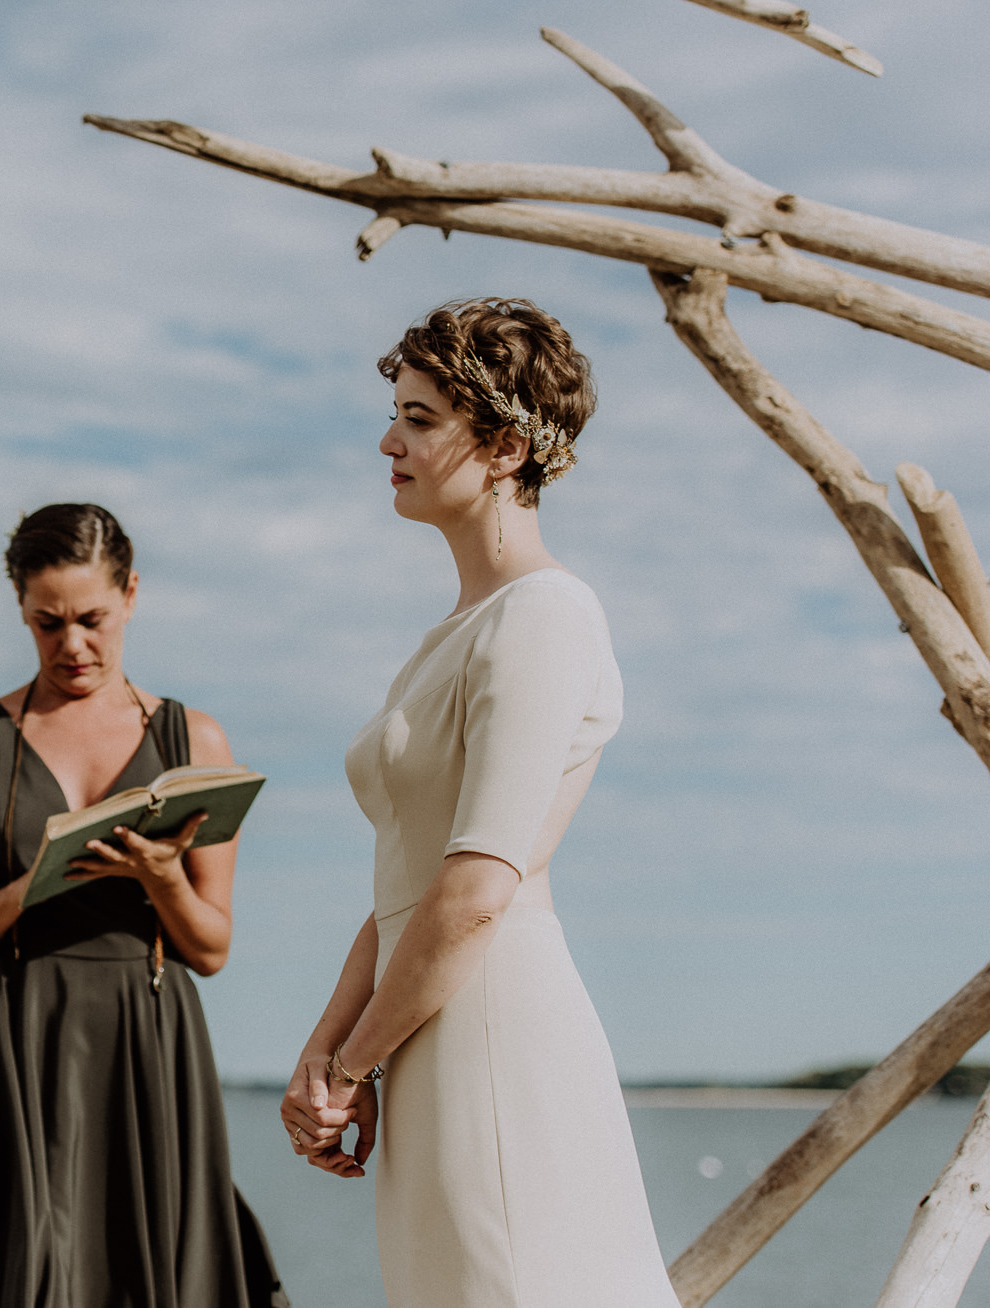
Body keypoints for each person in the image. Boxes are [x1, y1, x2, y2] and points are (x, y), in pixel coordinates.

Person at [279, 299, 678, 1305]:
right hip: (424, 1031)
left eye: (418, 419)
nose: (387, 441)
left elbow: (475, 895)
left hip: (492, 1026)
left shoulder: (546, 615)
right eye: (396, 415)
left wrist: (354, 1066)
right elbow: (405, 889)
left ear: (502, 446)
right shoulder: (453, 631)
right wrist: (325, 1052)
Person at [0, 503, 290, 1308]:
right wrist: (26, 890)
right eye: (48, 624)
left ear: (132, 595)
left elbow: (213, 949)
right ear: (20, 608)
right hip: (14, 1040)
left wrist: (159, 877)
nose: (73, 646)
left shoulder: (197, 740)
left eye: (92, 619)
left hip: (147, 1039)